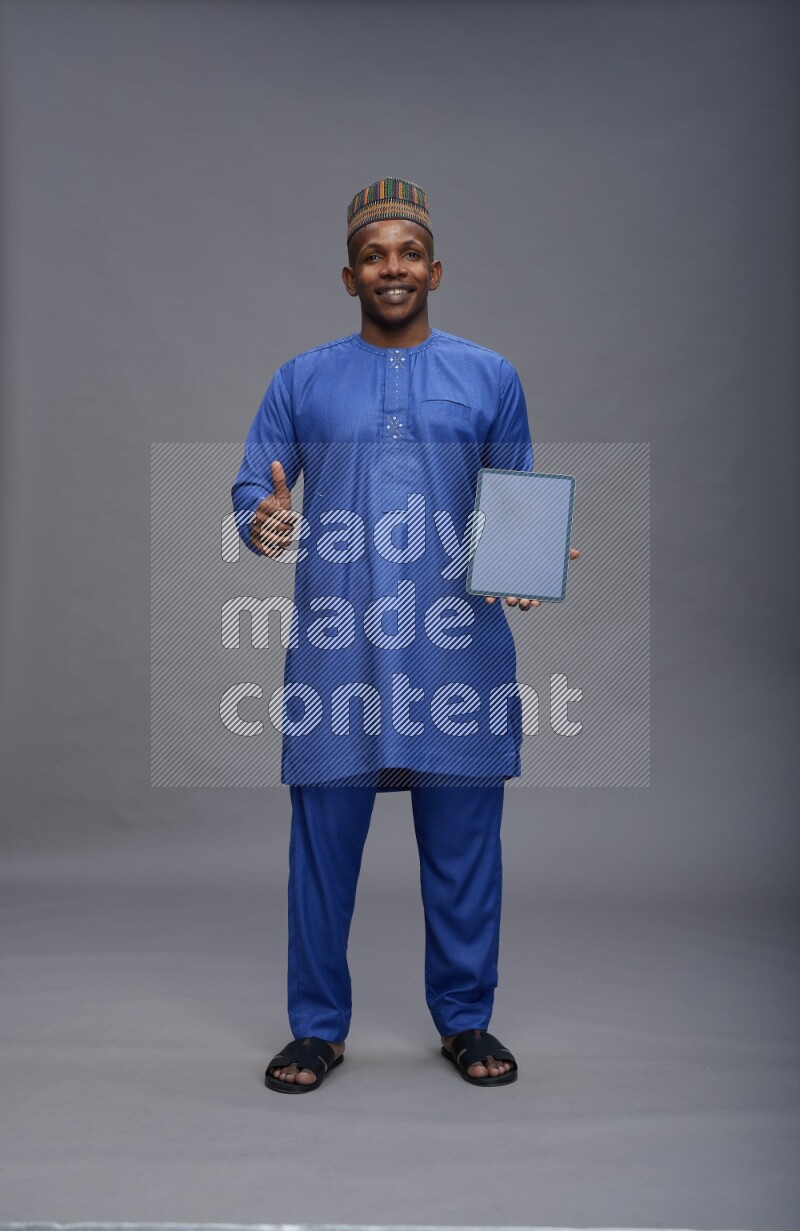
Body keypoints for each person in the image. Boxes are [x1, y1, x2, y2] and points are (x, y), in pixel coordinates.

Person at [231, 178, 579, 1092]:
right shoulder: (302, 379)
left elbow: (516, 493)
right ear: (350, 276)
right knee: (321, 851)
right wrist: (262, 519)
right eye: (374, 255)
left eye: (410, 253)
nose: (394, 268)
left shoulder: (489, 376)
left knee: (464, 852)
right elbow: (255, 488)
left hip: (455, 649)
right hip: (337, 650)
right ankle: (317, 1028)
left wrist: (529, 559)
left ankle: (466, 1018)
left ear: (436, 269)